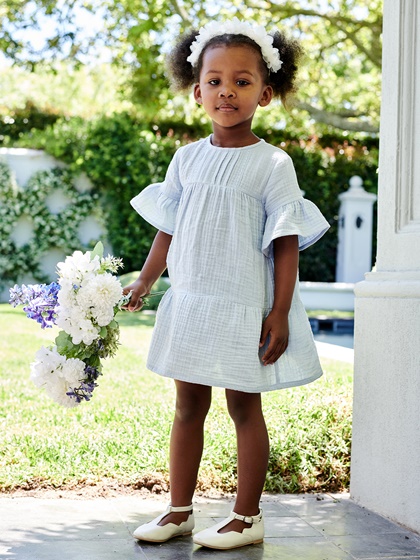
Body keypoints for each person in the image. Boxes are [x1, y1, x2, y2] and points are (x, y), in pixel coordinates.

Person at [123, 18, 330, 551]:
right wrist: (145, 281)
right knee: (187, 406)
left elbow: (285, 242)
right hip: (192, 301)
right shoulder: (187, 158)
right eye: (214, 81)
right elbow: (168, 228)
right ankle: (178, 510)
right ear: (197, 91)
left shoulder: (272, 164)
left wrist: (278, 311)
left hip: (244, 305)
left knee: (243, 408)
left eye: (242, 81)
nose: (227, 92)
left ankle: (246, 517)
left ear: (265, 92)